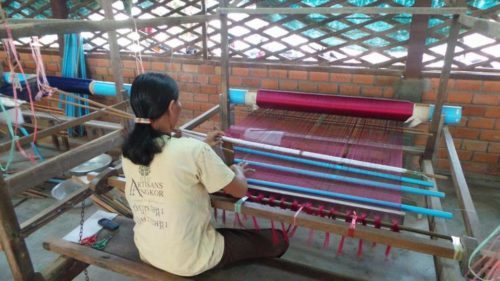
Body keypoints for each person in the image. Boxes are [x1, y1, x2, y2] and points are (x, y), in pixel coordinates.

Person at [121, 72, 288, 277]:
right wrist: (237, 171)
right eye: (179, 101)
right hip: (189, 259)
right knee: (277, 239)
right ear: (172, 106)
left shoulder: (130, 152)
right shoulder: (192, 151)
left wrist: (204, 147)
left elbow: (170, 160)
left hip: (148, 250)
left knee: (219, 232)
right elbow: (239, 190)